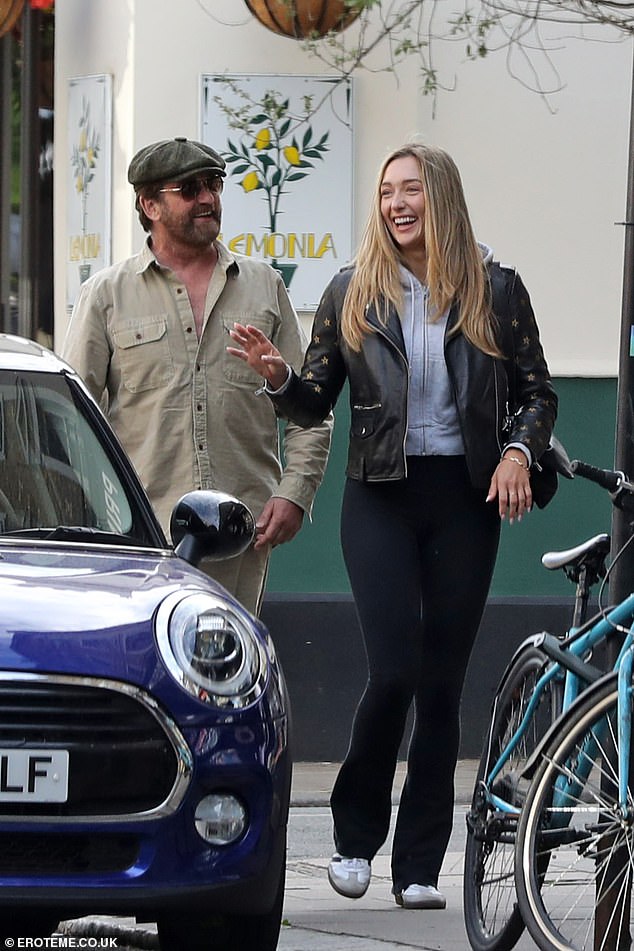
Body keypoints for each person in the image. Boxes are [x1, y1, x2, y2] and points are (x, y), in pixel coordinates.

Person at [227, 142, 557, 908]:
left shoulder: (497, 289)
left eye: (410, 190)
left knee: (442, 686)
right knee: (395, 670)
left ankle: (417, 866)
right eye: (386, 193)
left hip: (464, 496)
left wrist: (516, 450)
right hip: (379, 493)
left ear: (440, 195)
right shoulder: (353, 289)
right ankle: (353, 837)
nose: (396, 204)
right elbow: (313, 401)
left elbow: (538, 391)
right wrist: (278, 376)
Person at [62, 136, 332, 616]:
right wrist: (100, 515)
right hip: (141, 532)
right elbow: (71, 420)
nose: (207, 198)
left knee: (229, 671)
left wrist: (294, 493)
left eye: (214, 185)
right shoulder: (106, 295)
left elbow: (310, 406)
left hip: (241, 530)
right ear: (150, 204)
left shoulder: (264, 285)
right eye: (189, 189)